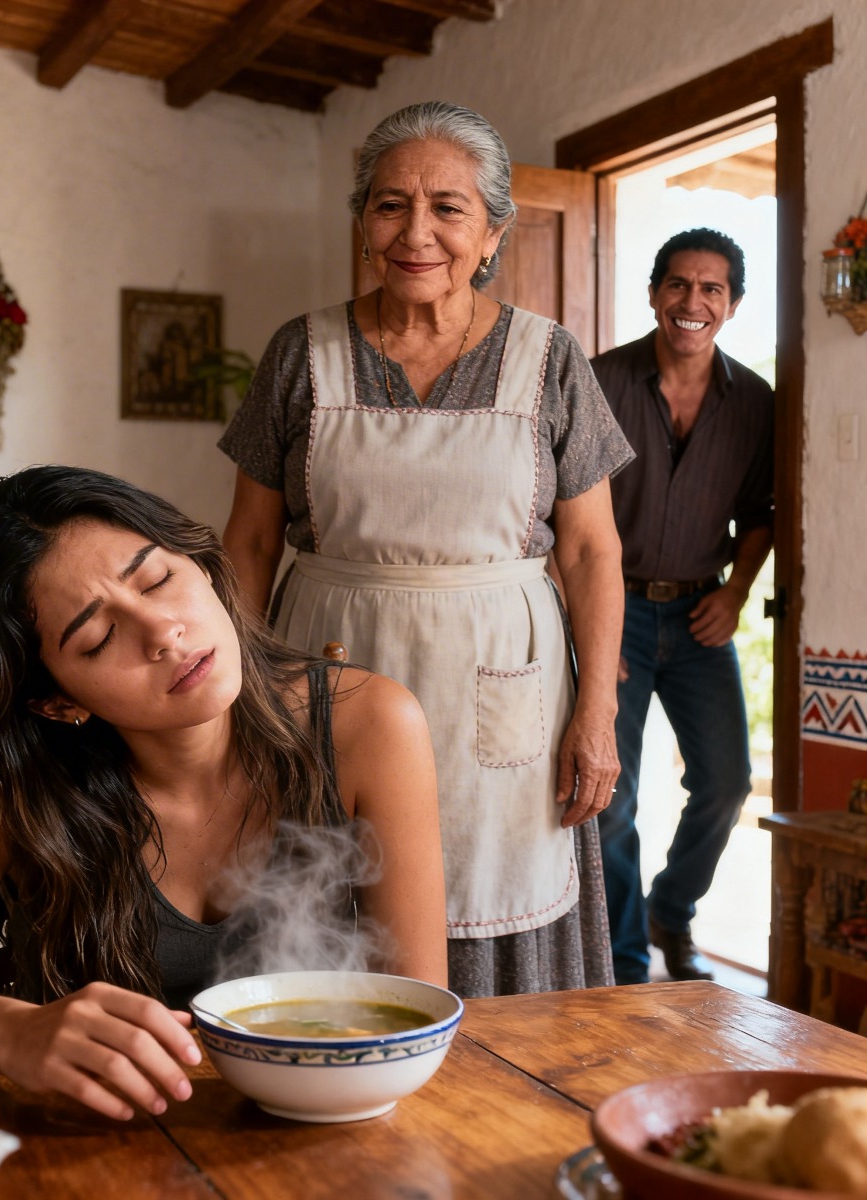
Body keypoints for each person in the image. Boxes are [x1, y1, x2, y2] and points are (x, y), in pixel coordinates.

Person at [0, 465, 446, 1120]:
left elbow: (419, 1012)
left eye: (158, 578)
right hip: (102, 1152)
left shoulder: (368, 727)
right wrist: (13, 1032)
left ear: (198, 563)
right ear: (55, 701)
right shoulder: (14, 791)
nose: (165, 632)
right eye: (99, 636)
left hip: (331, 1128)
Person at [218, 101, 634, 998]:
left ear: (493, 231)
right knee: (329, 902)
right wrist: (237, 701)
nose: (418, 232)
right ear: (362, 223)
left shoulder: (551, 359)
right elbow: (249, 542)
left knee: (497, 882)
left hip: (504, 690)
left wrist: (596, 715)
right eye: (390, 204)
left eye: (449, 207)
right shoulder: (302, 353)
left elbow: (595, 551)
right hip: (326, 674)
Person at [590, 228, 773, 985]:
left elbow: (763, 513)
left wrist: (735, 594)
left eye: (711, 290)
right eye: (678, 285)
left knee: (727, 781)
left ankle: (675, 907)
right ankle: (627, 966)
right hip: (614, 615)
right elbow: (562, 517)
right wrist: (589, 630)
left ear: (731, 306)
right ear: (654, 293)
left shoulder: (756, 401)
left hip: (703, 614)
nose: (692, 302)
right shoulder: (598, 381)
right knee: (611, 801)